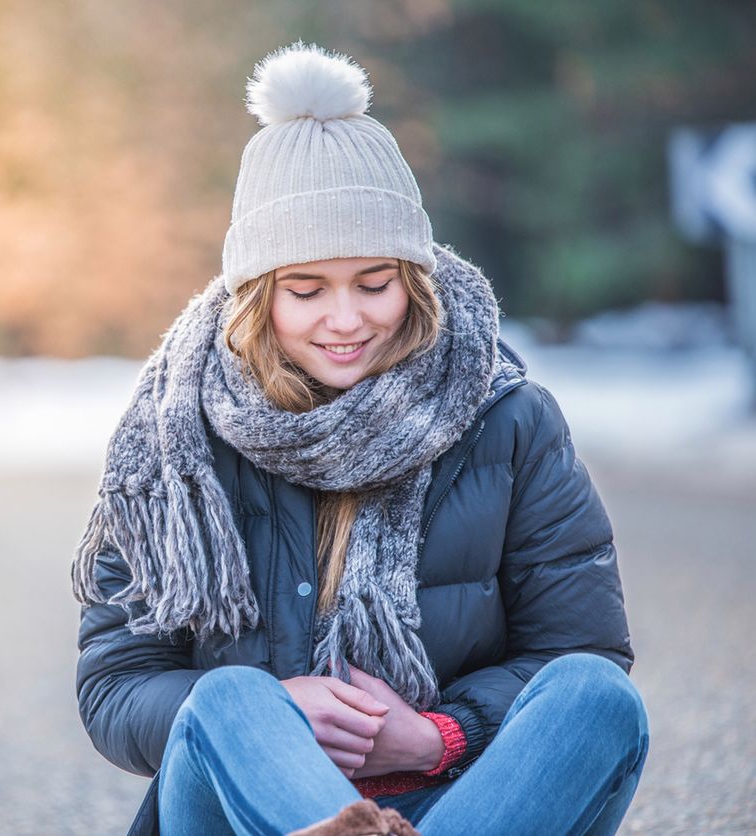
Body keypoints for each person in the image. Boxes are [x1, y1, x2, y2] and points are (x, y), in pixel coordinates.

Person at [71, 41, 647, 836]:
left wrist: (439, 734)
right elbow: (116, 687)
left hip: (460, 802)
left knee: (597, 697)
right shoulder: (173, 441)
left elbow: (578, 647)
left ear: (414, 280)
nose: (346, 320)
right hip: (238, 806)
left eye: (374, 284)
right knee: (232, 696)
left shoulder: (510, 419)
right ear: (255, 298)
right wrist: (276, 714)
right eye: (306, 291)